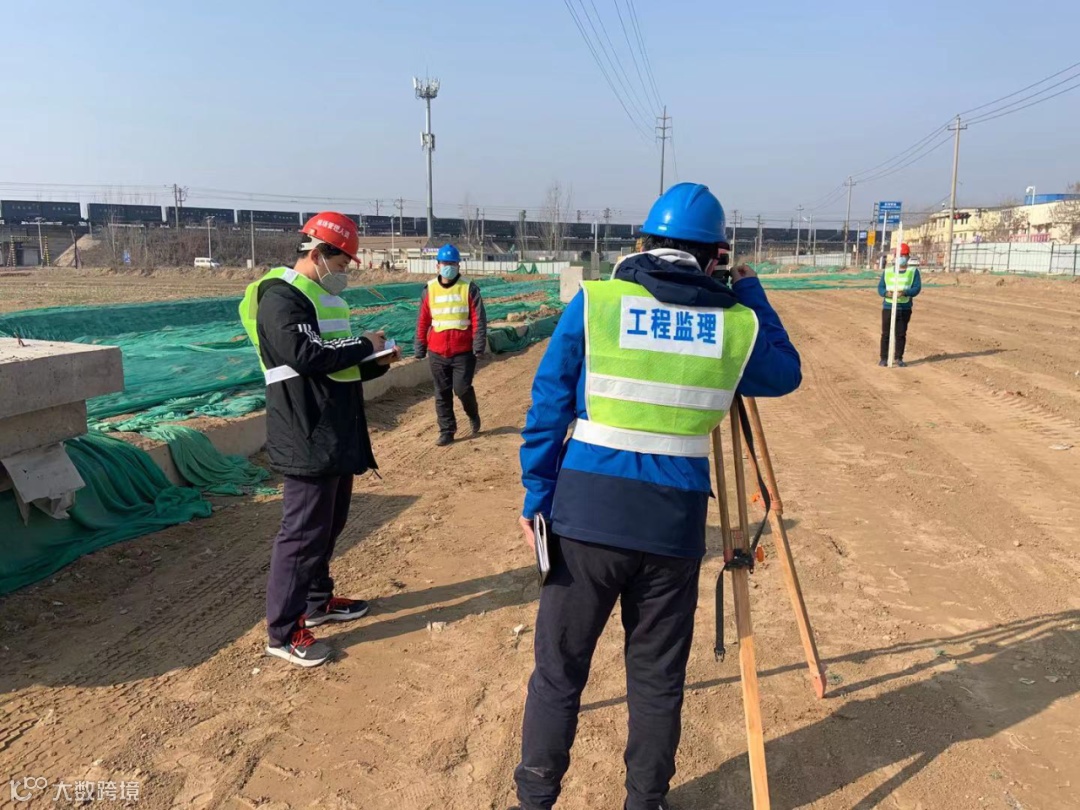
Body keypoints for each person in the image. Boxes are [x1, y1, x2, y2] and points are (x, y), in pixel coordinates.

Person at [513, 183, 802, 810]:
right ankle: (645, 802)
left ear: (643, 243)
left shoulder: (598, 302)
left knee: (559, 673)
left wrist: (538, 494)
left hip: (585, 518)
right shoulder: (734, 324)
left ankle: (535, 800)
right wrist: (750, 291)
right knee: (655, 680)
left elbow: (548, 405)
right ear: (716, 256)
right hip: (673, 527)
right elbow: (785, 372)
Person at [238, 211, 402, 668]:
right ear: (318, 253)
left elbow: (333, 361)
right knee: (302, 533)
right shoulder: (279, 296)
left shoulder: (320, 298)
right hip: (305, 429)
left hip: (333, 427)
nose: (344, 272)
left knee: (329, 525)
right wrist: (365, 345)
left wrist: (375, 362)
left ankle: (316, 601)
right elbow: (305, 354)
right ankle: (283, 631)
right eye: (342, 263)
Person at [414, 243, 488, 446]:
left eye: (453, 263)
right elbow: (423, 320)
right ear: (437, 265)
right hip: (437, 351)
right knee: (441, 393)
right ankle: (447, 431)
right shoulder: (429, 289)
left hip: (463, 351)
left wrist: (479, 345)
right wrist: (420, 346)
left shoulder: (469, 288)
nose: (449, 267)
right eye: (445, 263)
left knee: (462, 389)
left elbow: (478, 319)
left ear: (459, 265)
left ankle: (472, 414)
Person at [878, 242, 922, 367]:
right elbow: (881, 287)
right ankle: (884, 358)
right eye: (899, 255)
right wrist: (886, 293)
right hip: (888, 306)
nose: (901, 258)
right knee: (886, 334)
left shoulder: (913, 272)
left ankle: (899, 358)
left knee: (900, 334)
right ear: (894, 257)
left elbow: (917, 288)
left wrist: (905, 292)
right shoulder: (888, 271)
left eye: (904, 255)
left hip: (904, 307)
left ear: (908, 257)